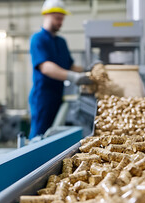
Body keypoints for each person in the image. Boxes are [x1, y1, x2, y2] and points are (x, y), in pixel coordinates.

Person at [29, 0, 91, 139]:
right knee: (39, 136)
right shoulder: (38, 39)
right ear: (47, 15)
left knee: (53, 135)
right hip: (43, 97)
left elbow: (70, 66)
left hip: (59, 95)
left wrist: (88, 73)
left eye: (62, 19)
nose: (60, 22)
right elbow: (45, 67)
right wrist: (73, 77)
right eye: (57, 18)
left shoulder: (61, 42)